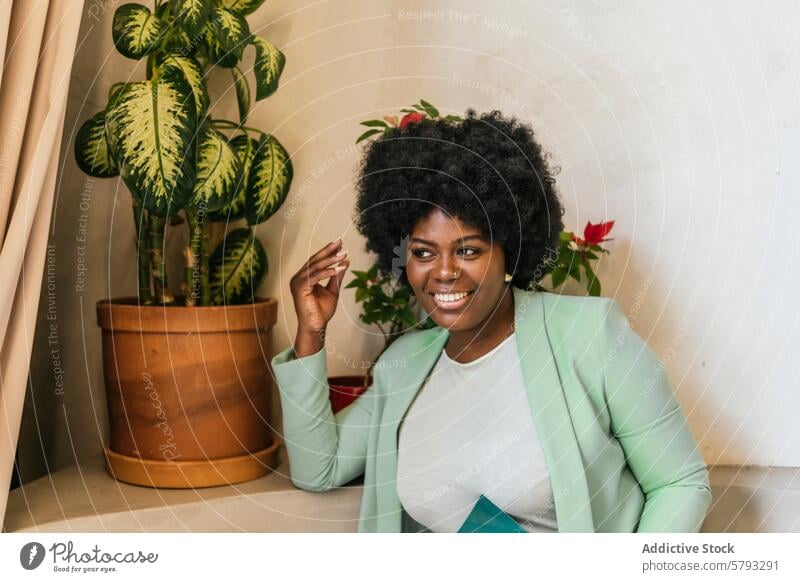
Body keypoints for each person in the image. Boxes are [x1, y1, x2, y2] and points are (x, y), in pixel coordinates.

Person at [271, 109, 712, 533]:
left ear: (509, 253)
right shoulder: (402, 366)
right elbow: (319, 469)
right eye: (423, 252)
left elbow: (679, 483)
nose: (444, 272)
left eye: (468, 250)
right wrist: (312, 332)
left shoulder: (590, 335)